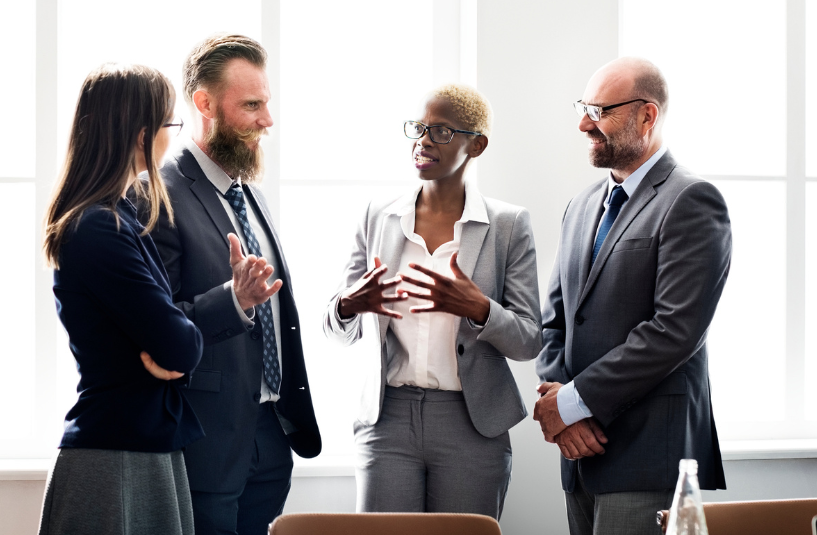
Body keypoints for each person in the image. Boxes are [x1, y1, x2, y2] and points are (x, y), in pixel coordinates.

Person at [323, 83, 542, 519]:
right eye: (419, 128)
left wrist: (478, 308)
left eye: (441, 131)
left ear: (476, 144)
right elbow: (336, 327)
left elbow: (529, 340)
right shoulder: (378, 215)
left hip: (471, 423)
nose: (423, 140)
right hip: (387, 420)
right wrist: (348, 305)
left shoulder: (508, 225)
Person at [533, 57, 731, 535]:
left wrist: (572, 403)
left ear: (647, 116)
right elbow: (556, 322)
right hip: (578, 455)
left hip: (647, 454)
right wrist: (566, 414)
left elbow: (673, 332)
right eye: (583, 108)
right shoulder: (581, 205)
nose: (583, 124)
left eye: (599, 111)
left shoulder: (692, 200)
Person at [146, 34, 321, 535]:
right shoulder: (159, 195)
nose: (268, 120)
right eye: (252, 105)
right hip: (207, 441)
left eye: (266, 103)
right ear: (204, 104)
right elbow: (158, 327)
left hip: (271, 435)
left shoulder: (252, 197)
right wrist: (234, 299)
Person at [39, 63, 203, 535]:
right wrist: (177, 345)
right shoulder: (98, 228)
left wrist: (175, 342)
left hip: (140, 446)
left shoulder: (121, 217)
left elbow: (174, 340)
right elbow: (181, 345)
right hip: (115, 457)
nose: (174, 138)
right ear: (140, 134)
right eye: (172, 125)